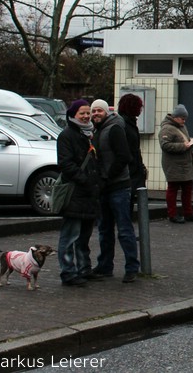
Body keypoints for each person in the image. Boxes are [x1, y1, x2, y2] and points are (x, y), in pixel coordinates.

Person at [91, 99, 141, 283]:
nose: (96, 114)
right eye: (93, 111)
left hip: (118, 187)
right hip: (104, 188)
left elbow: (124, 157)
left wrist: (106, 177)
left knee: (124, 229)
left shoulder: (114, 129)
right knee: (104, 230)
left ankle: (132, 268)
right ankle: (105, 266)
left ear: (106, 112)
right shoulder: (98, 130)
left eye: (99, 111)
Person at [56, 99, 102, 287]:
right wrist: (85, 179)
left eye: (87, 113)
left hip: (89, 194)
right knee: (70, 235)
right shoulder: (67, 136)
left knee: (84, 236)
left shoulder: (89, 134)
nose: (85, 116)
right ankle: (68, 272)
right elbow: (65, 164)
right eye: (81, 113)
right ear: (73, 115)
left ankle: (84, 269)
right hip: (75, 193)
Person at [160, 104, 193, 224]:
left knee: (187, 187)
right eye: (183, 118)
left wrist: (191, 141)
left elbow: (183, 139)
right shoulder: (167, 128)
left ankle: (188, 213)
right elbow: (165, 145)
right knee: (173, 188)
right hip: (174, 164)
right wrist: (185, 146)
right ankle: (172, 214)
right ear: (176, 117)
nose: (184, 121)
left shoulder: (181, 126)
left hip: (184, 162)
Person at [116, 93, 148, 212]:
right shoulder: (125, 125)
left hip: (133, 171)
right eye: (139, 107)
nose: (140, 110)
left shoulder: (128, 123)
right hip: (130, 172)